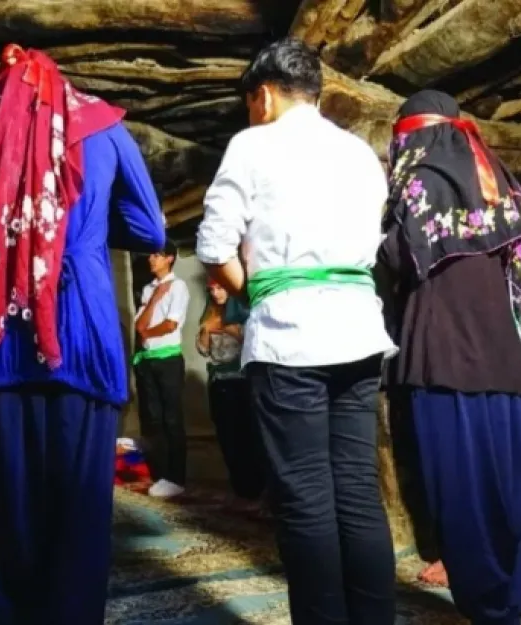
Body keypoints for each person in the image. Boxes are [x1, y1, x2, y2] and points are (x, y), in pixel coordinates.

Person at [0, 43, 166, 625]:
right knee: (76, 535)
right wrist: (74, 234)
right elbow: (152, 228)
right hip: (80, 343)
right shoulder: (105, 128)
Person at [195, 38, 397, 625]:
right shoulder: (359, 152)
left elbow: (213, 246)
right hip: (359, 332)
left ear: (261, 96)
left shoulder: (253, 144)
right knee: (357, 490)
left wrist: (258, 291)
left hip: (291, 336)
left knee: (306, 496)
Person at [376, 89, 521, 625]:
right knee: (509, 500)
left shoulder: (422, 183)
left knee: (461, 502)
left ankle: (485, 609)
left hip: (442, 364)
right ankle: (507, 604)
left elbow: (398, 258)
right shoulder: (499, 182)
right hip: (509, 367)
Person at [196, 278, 264, 509]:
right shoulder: (210, 314)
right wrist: (208, 330)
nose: (216, 293)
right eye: (212, 289)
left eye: (220, 287)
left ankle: (255, 489)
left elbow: (252, 343)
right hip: (218, 380)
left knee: (246, 435)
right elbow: (203, 349)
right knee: (226, 437)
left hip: (241, 381)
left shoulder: (246, 312)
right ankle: (239, 489)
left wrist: (228, 329)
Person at [132, 242, 190, 499]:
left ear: (170, 259)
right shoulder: (148, 289)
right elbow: (139, 325)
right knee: (153, 419)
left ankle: (176, 477)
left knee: (172, 419)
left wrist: (146, 331)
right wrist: (155, 299)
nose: (151, 259)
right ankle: (160, 474)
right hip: (146, 359)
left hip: (168, 360)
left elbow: (170, 324)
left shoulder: (178, 287)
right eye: (151, 255)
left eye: (157, 255)